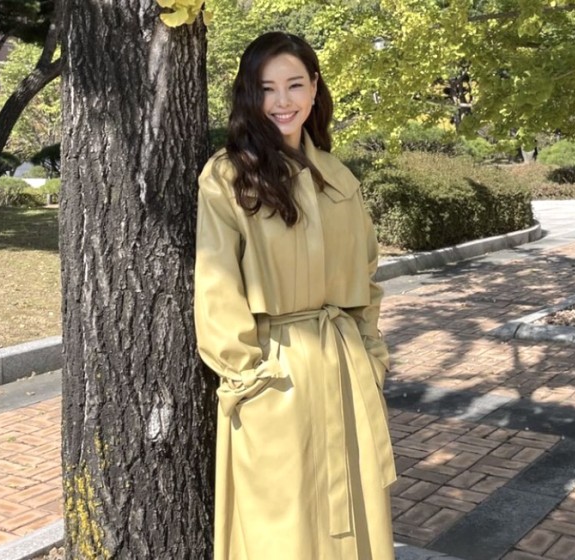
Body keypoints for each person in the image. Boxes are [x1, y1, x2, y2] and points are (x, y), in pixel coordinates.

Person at [194, 32, 396, 560]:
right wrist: (247, 376)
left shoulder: (338, 178)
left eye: (294, 85)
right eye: (267, 88)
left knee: (352, 525)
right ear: (249, 94)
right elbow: (216, 284)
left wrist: (371, 357)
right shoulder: (229, 176)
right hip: (275, 376)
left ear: (314, 88)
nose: (282, 101)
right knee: (280, 531)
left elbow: (367, 278)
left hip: (344, 369)